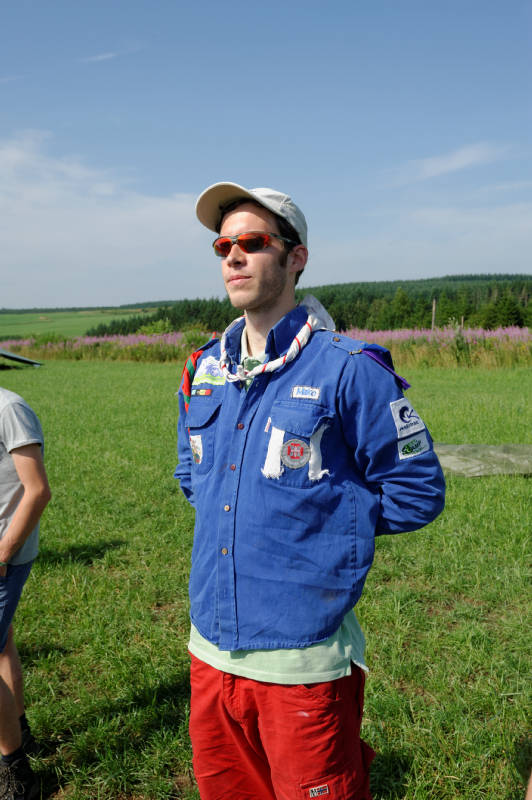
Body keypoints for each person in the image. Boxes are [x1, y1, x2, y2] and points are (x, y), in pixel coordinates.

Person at [175, 182, 445, 800]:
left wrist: (325, 527)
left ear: (296, 258)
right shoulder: (203, 370)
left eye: (252, 242)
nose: (233, 256)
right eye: (222, 246)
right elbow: (193, 476)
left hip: (301, 660)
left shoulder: (350, 368)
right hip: (209, 649)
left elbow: (417, 489)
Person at [0, 388, 51, 800]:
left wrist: (2, 553)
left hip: (5, 556)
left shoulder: (9, 409)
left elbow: (37, 490)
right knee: (3, 646)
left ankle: (16, 773)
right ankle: (21, 733)